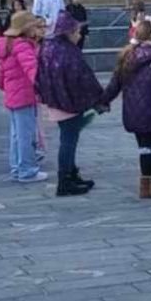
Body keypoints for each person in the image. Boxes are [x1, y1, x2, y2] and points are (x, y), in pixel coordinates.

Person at [98, 19, 151, 199]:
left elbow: (114, 84)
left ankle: (150, 181)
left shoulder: (128, 55)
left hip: (135, 110)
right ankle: (146, 185)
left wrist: (103, 101)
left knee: (148, 145)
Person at [36, 11, 103, 197]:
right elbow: (83, 77)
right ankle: (65, 181)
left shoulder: (49, 47)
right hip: (69, 102)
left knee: (69, 137)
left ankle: (72, 174)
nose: (79, 35)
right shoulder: (69, 52)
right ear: (68, 32)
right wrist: (99, 97)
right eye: (77, 32)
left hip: (55, 100)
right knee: (68, 139)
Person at [0, 11, 49, 184]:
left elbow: (1, 74)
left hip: (13, 95)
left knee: (17, 135)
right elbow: (32, 69)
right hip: (25, 95)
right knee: (26, 135)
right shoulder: (23, 46)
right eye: (35, 26)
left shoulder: (7, 44)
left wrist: (4, 87)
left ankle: (17, 168)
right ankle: (27, 170)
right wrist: (44, 88)